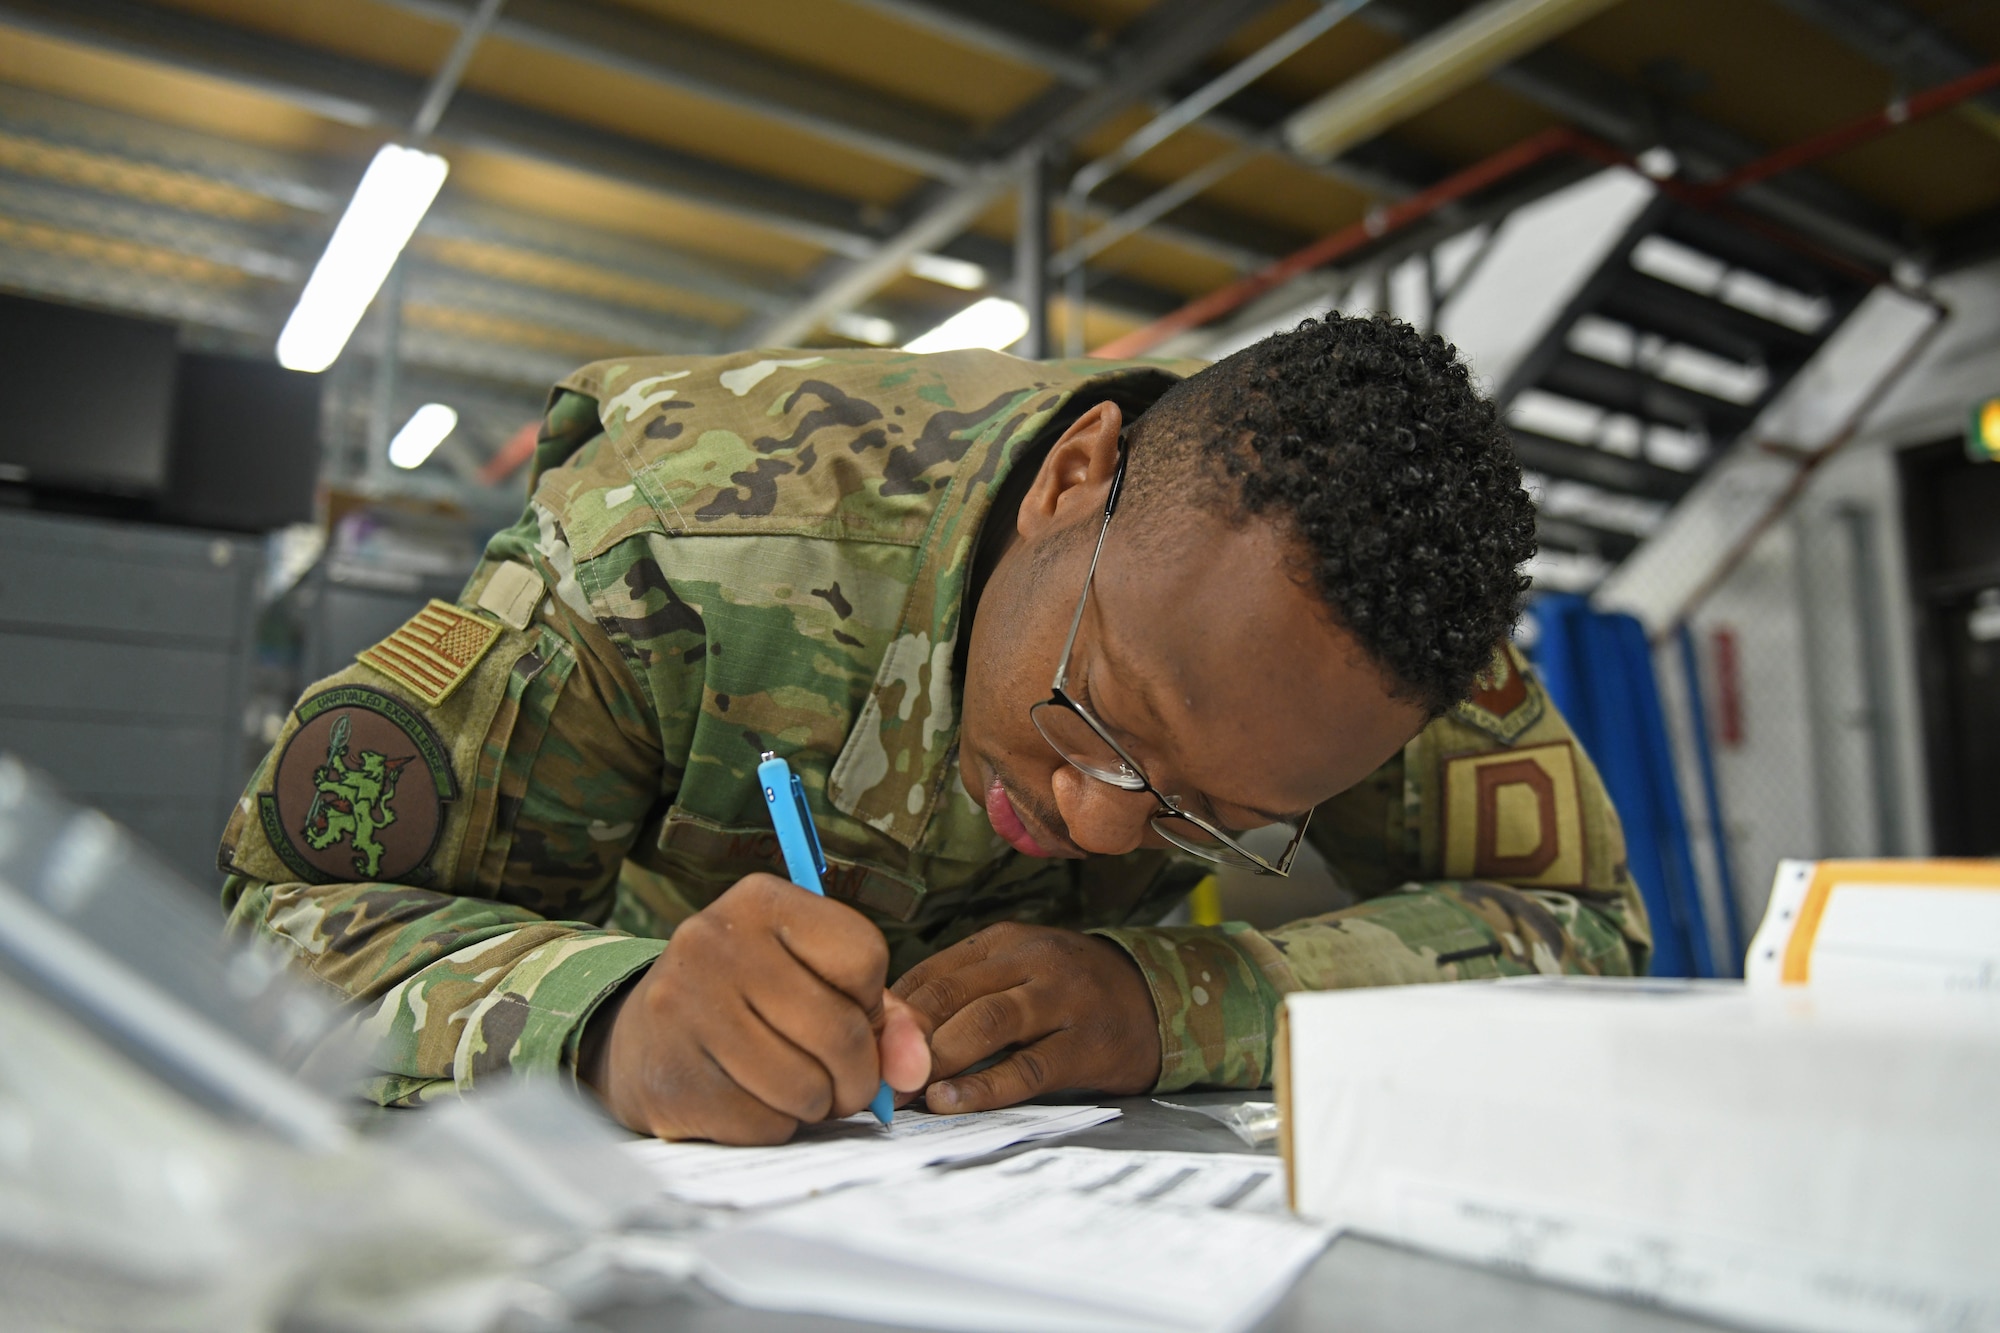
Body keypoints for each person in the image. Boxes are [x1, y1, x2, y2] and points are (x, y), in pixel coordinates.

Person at [220, 314, 1650, 1145]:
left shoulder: (1360, 654)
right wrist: (606, 1020)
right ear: (1073, 475)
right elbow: (280, 919)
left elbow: (1580, 926)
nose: (1105, 824)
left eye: (1207, 815)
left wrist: (1171, 1001)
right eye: (1108, 717)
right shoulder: (682, 535)